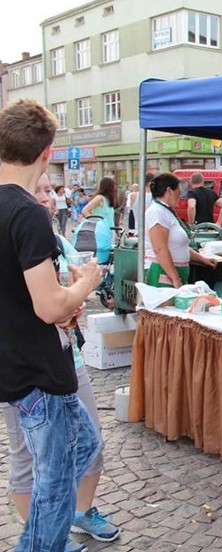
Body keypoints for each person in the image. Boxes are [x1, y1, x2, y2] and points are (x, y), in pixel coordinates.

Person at [0, 99, 103, 552]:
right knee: (57, 482)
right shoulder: (27, 213)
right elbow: (49, 308)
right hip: (38, 370)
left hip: (18, 362)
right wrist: (86, 285)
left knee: (83, 445)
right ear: (47, 152)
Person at [144, 173, 217, 288]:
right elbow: (160, 249)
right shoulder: (157, 212)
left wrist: (203, 259)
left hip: (173, 272)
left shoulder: (166, 211)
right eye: (179, 189)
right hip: (162, 273)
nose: (181, 194)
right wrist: (174, 278)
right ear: (169, 191)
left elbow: (178, 246)